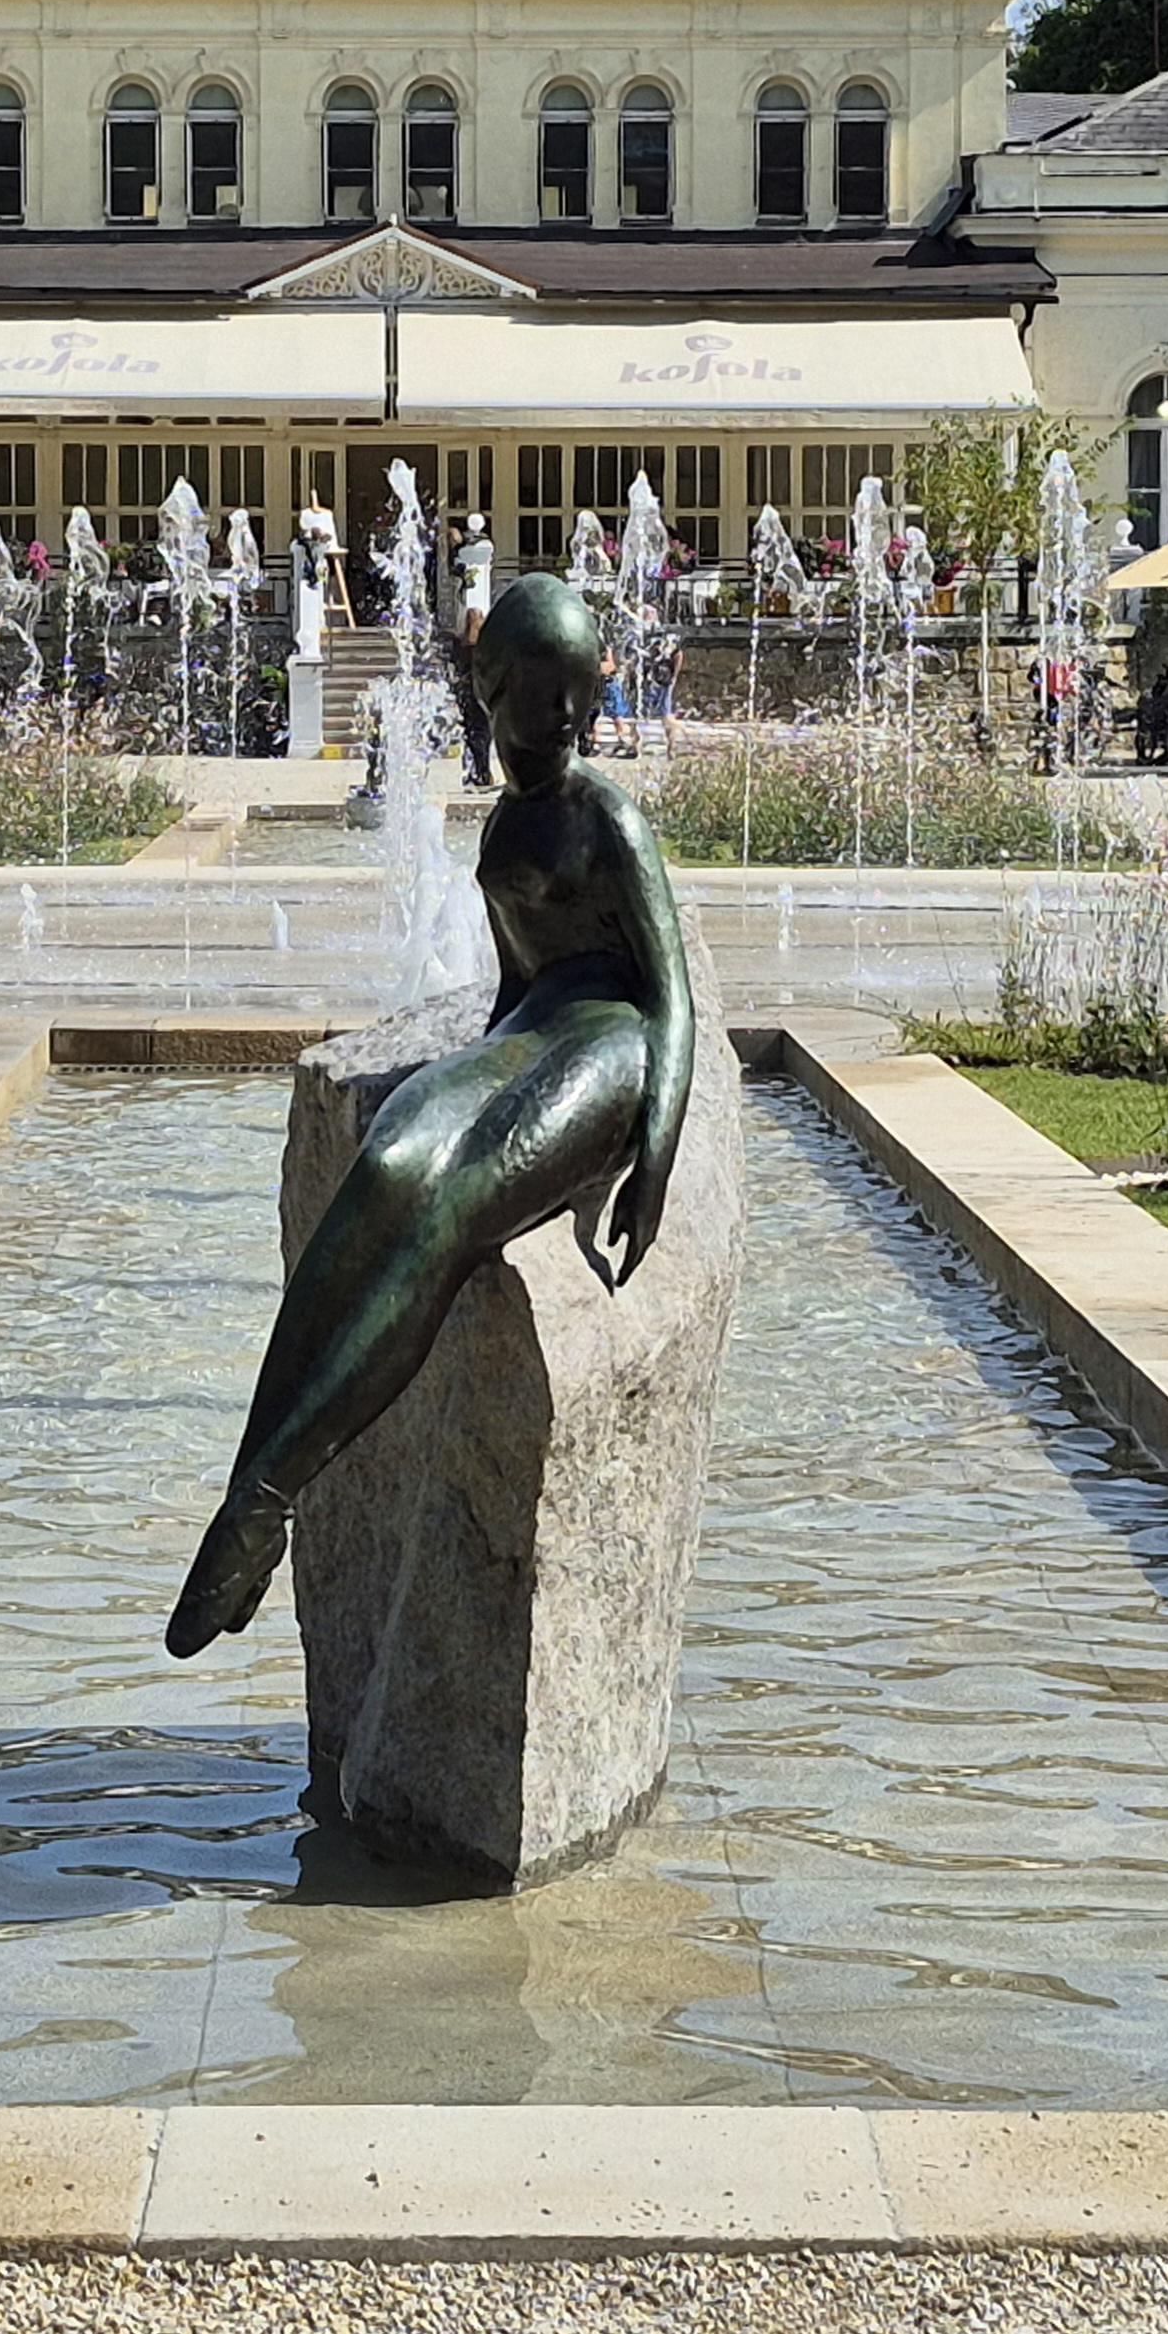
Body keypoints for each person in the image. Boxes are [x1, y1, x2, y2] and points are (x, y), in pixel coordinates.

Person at [167, 574, 693, 1659]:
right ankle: (238, 1495)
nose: (559, 720)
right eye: (536, 695)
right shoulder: (505, 820)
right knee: (393, 1157)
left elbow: (672, 992)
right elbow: (509, 979)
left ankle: (272, 1494)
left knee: (449, 1217)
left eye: (576, 697)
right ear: (487, 691)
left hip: (610, 1045)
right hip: (530, 1030)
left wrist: (655, 1154)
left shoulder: (609, 817)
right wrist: (461, 1069)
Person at [450, 515, 497, 786]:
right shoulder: (480, 646)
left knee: (475, 734)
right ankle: (479, 773)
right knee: (477, 734)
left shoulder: (469, 646)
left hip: (473, 697)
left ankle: (480, 773)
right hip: (477, 696)